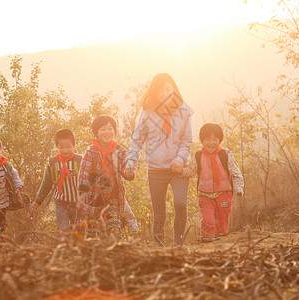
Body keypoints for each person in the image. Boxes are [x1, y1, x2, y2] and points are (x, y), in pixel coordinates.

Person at [124, 73, 192, 247]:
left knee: (180, 203)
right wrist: (130, 161)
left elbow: (187, 141)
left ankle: (178, 242)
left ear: (174, 89)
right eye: (160, 91)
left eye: (168, 89)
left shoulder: (183, 110)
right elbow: (137, 140)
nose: (165, 93)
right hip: (156, 169)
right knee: (159, 212)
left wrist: (180, 159)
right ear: (155, 93)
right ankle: (158, 245)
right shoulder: (147, 113)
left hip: (178, 168)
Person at [182, 123, 244, 241]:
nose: (211, 143)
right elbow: (191, 171)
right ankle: (207, 240)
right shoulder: (199, 155)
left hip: (224, 193)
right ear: (202, 140)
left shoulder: (225, 154)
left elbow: (236, 173)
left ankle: (221, 242)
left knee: (223, 221)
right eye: (207, 139)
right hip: (205, 194)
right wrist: (179, 170)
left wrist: (239, 188)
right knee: (208, 220)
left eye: (215, 139)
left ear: (219, 140)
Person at [77, 115, 135, 238]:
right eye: (103, 129)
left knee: (114, 227)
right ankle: (93, 254)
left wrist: (129, 171)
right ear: (96, 133)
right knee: (92, 231)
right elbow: (83, 172)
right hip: (94, 198)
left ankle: (116, 251)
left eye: (110, 128)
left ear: (114, 131)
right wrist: (83, 190)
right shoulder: (91, 152)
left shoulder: (120, 151)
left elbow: (126, 171)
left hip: (113, 197)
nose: (107, 132)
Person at [30, 129, 82, 232]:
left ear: (74, 145)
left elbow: (88, 180)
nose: (65, 150)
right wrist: (38, 201)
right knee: (63, 231)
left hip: (79, 203)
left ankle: (78, 248)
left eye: (68, 146)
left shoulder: (80, 160)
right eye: (61, 147)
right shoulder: (53, 163)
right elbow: (46, 183)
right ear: (57, 146)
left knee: (79, 232)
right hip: (61, 203)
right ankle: (63, 248)